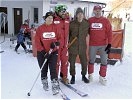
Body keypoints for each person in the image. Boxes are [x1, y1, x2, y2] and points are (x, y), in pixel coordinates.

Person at [35, 12, 61, 95]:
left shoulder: (55, 27)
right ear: (45, 18)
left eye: (52, 18)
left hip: (53, 52)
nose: (50, 19)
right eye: (49, 18)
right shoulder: (40, 28)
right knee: (44, 69)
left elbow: (60, 38)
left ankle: (55, 85)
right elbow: (37, 42)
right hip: (42, 53)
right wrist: (43, 52)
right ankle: (45, 82)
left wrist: (56, 44)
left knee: (53, 69)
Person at [88, 5, 112, 85]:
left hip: (103, 45)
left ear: (101, 11)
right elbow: (85, 30)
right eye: (96, 10)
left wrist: (109, 44)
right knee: (91, 60)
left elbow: (109, 33)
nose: (97, 11)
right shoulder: (90, 20)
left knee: (104, 61)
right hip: (92, 44)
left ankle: (102, 77)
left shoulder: (105, 21)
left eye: (99, 10)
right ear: (94, 11)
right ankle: (90, 75)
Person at [68, 7, 89, 84]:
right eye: (78, 14)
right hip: (73, 46)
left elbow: (90, 33)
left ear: (83, 15)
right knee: (72, 63)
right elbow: (68, 35)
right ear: (76, 15)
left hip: (83, 46)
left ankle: (83, 76)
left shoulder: (86, 24)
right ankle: (73, 76)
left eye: (81, 14)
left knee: (84, 62)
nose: (80, 15)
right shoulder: (71, 24)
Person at [54, 5, 70, 84]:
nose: (63, 13)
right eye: (61, 11)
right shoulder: (53, 19)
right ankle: (55, 78)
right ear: (57, 11)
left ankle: (64, 76)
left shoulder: (67, 20)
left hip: (65, 46)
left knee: (65, 62)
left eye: (64, 11)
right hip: (57, 46)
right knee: (56, 63)